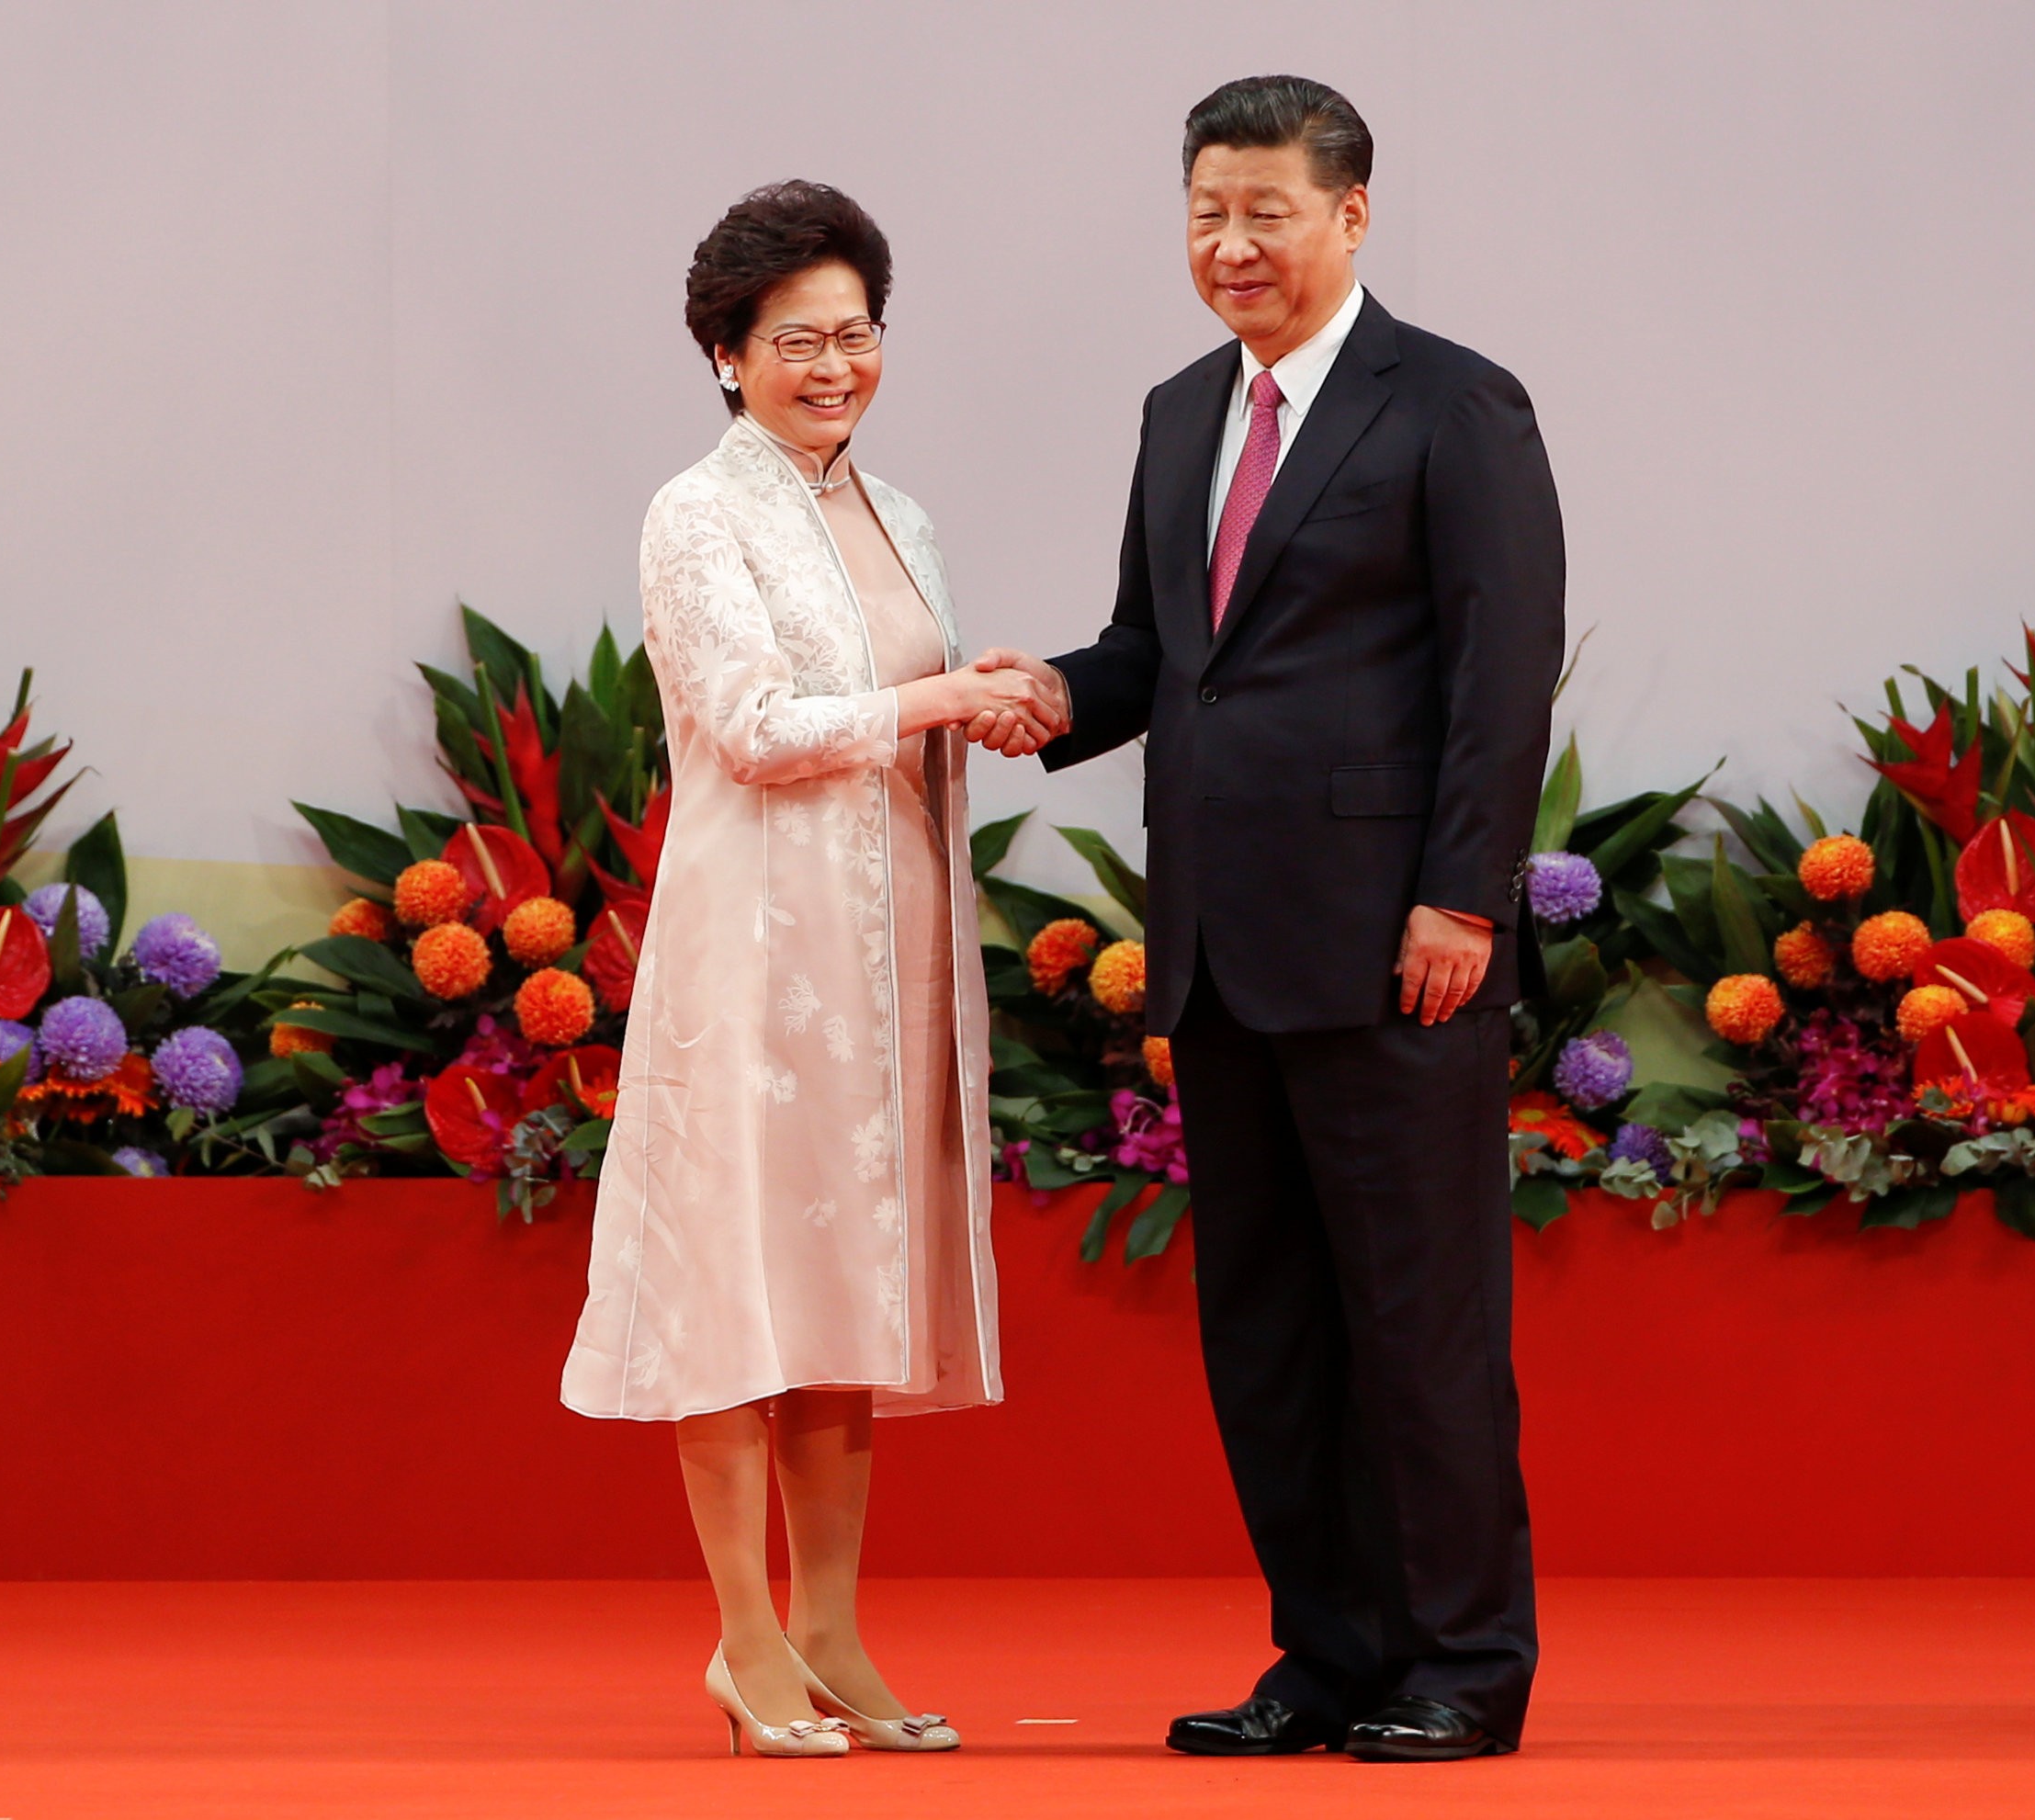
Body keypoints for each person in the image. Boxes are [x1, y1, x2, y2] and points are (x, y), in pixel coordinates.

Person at [973, 76, 1567, 1761]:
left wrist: (1461, 892)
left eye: (1268, 215)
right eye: (1206, 216)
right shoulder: (1180, 413)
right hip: (1225, 949)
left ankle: (1464, 1661)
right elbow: (1161, 657)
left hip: (1399, 942)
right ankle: (1328, 1653)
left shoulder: (1455, 405)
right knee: (1270, 1332)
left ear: (1352, 216)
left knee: (1420, 1324)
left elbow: (1501, 673)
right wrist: (1043, 698)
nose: (1232, 246)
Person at [561, 180, 1060, 1759]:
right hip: (752, 957)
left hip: (887, 952)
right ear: (725, 352)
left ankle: (834, 1625)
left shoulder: (900, 514)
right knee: (739, 1286)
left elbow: (905, 704)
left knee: (842, 1296)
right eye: (795, 340)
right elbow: (760, 730)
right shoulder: (693, 512)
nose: (832, 365)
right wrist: (940, 700)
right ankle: (745, 1636)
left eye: (856, 333)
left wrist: (992, 705)